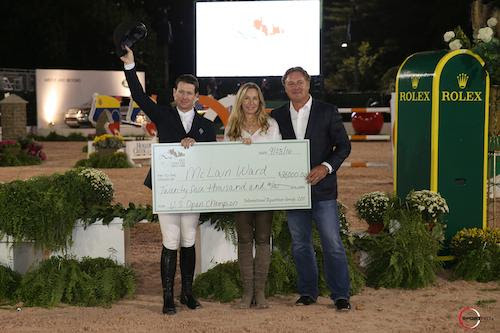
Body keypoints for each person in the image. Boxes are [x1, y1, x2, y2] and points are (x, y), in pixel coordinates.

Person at [120, 46, 216, 315]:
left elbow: (212, 159)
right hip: (167, 189)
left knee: (188, 239)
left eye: (190, 92)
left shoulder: (207, 127)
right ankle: (167, 297)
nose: (184, 96)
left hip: (192, 192)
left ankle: (187, 292)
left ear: (197, 97)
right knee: (170, 239)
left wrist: (196, 144)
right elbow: (138, 95)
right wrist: (130, 65)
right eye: (180, 91)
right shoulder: (162, 115)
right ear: (174, 93)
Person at [270, 67, 352, 311]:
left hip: (323, 190)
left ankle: (340, 295)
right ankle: (308, 292)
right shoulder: (277, 116)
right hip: (292, 191)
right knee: (300, 244)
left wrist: (326, 167)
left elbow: (344, 147)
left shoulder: (327, 111)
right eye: (290, 83)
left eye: (300, 82)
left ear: (308, 84)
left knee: (332, 243)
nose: (296, 87)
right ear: (284, 87)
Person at [224, 82, 281, 308]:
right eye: (246, 98)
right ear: (240, 101)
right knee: (245, 241)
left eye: (254, 98)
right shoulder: (232, 127)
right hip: (241, 194)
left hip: (265, 192)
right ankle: (247, 293)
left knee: (263, 241)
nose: (250, 103)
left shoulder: (271, 125)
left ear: (260, 101)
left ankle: (260, 292)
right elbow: (227, 159)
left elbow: (279, 156)